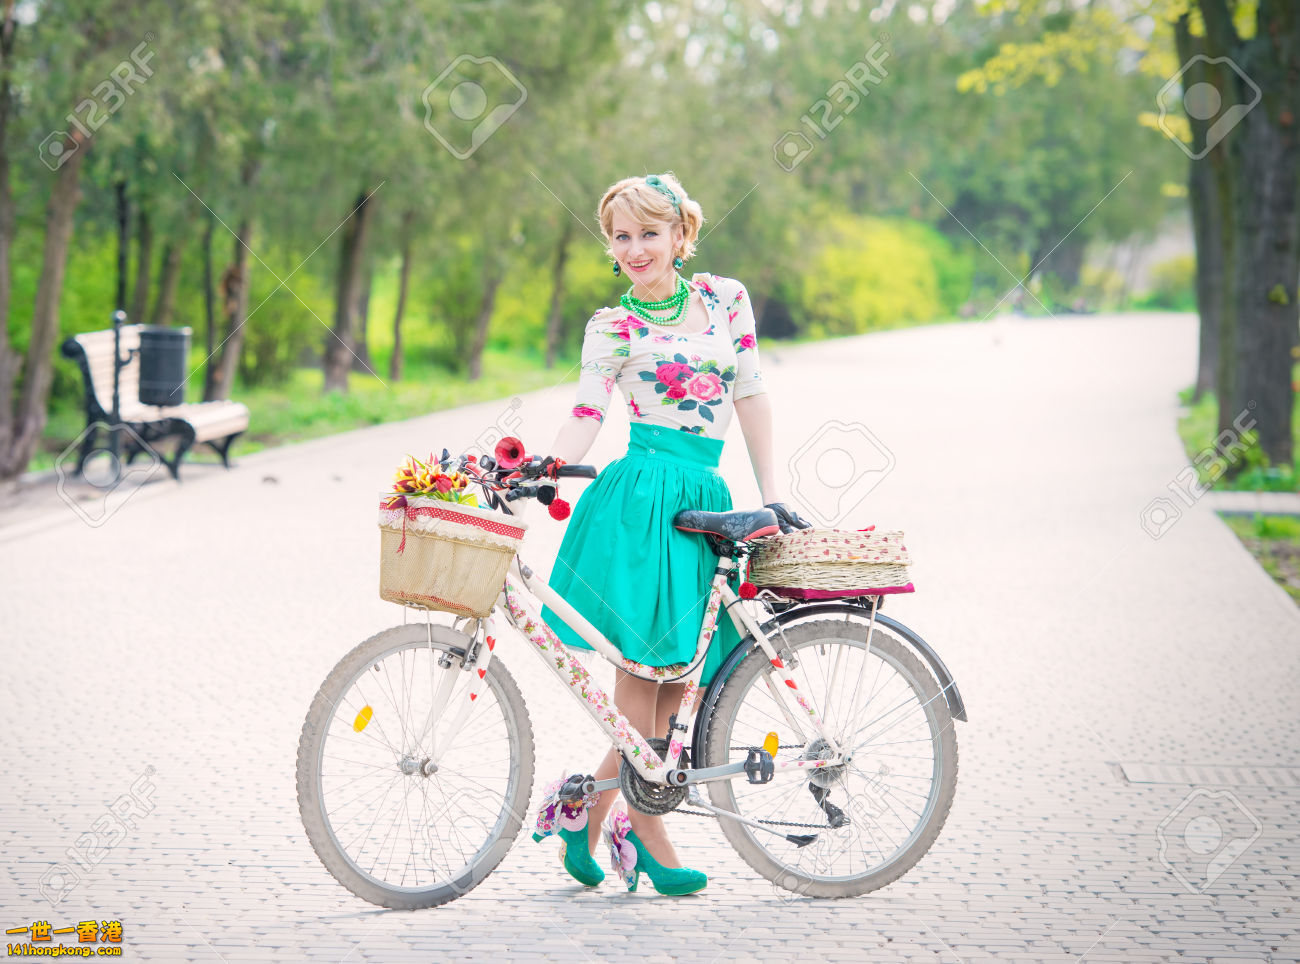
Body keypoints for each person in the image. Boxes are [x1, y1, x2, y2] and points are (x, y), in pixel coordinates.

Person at [531, 172, 809, 895]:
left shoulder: (725, 299)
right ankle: (648, 829)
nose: (634, 249)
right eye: (621, 237)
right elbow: (588, 414)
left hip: (705, 497)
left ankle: (584, 818)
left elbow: (750, 392)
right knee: (643, 673)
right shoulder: (611, 324)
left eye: (649, 233)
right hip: (642, 503)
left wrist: (772, 496)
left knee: (674, 684)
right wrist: (546, 468)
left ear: (682, 235)